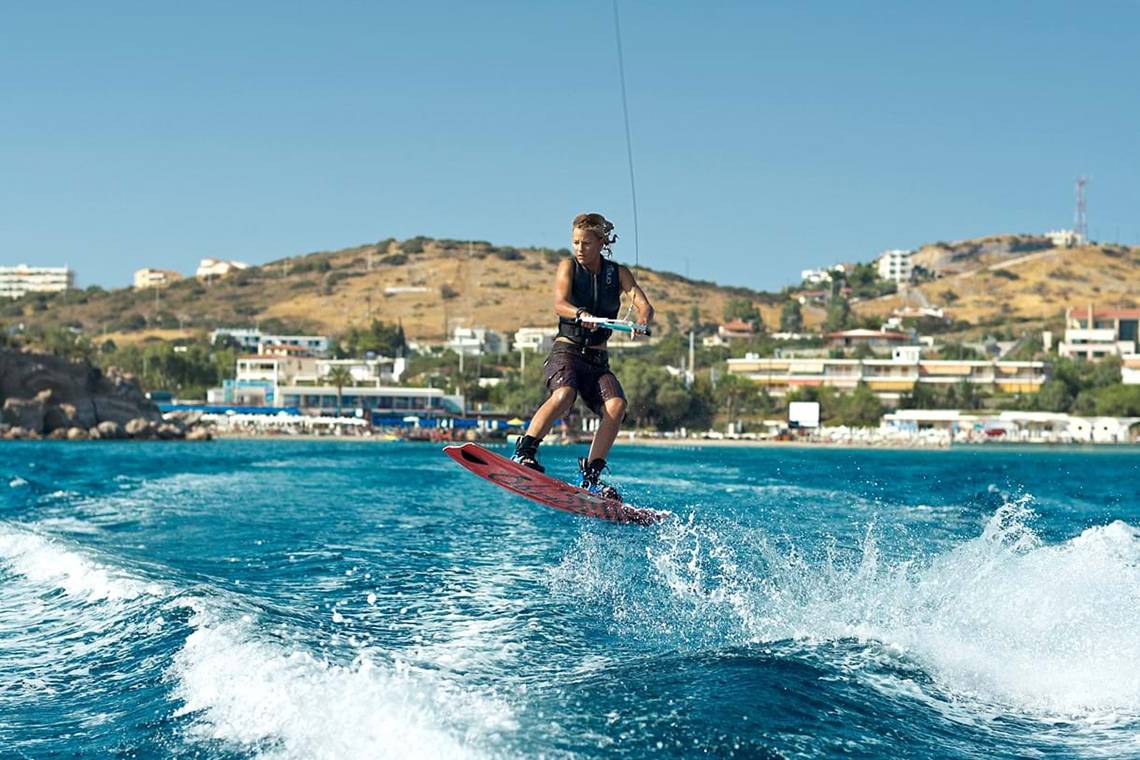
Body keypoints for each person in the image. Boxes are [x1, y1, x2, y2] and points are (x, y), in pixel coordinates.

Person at [511, 212, 654, 500]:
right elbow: (559, 304)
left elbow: (644, 304)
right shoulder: (568, 267)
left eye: (586, 243)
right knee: (564, 395)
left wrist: (643, 321)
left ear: (601, 243)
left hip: (597, 361)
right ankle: (524, 452)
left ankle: (590, 477)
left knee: (616, 407)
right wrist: (581, 314)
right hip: (567, 352)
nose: (579, 248)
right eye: (576, 242)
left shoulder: (618, 273)